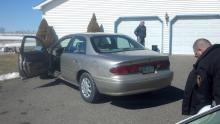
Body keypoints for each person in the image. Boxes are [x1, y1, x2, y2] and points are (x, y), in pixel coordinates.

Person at [182, 38, 220, 115]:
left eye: (196, 54)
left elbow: (202, 92)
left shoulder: (204, 64)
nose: (196, 57)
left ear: (200, 50)